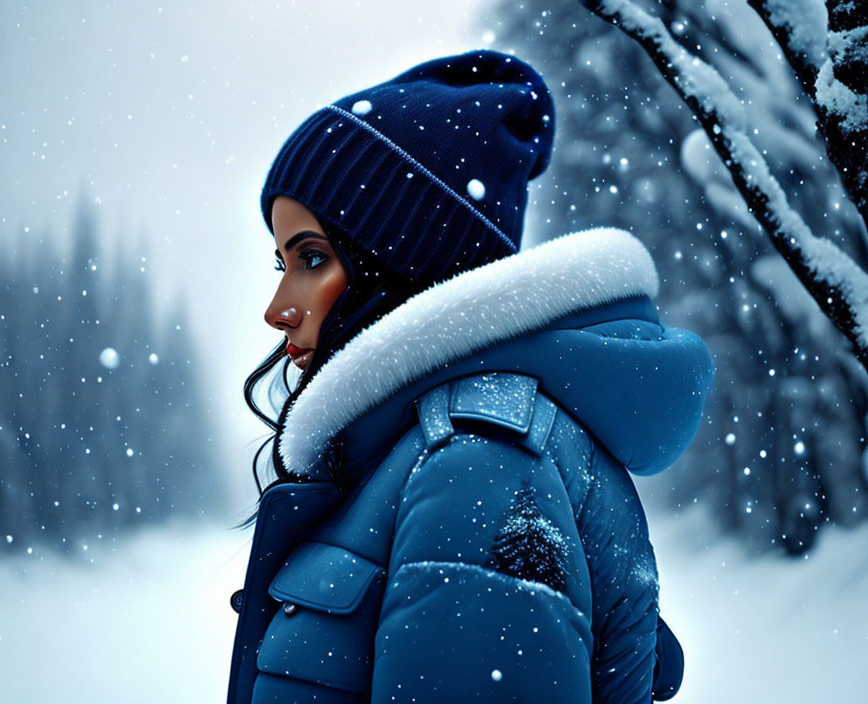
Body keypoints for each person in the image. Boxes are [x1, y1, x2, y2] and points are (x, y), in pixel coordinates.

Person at [227, 49, 714, 704]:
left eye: (312, 258)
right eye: (281, 263)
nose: (278, 308)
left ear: (404, 263)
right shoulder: (419, 456)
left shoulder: (479, 462)